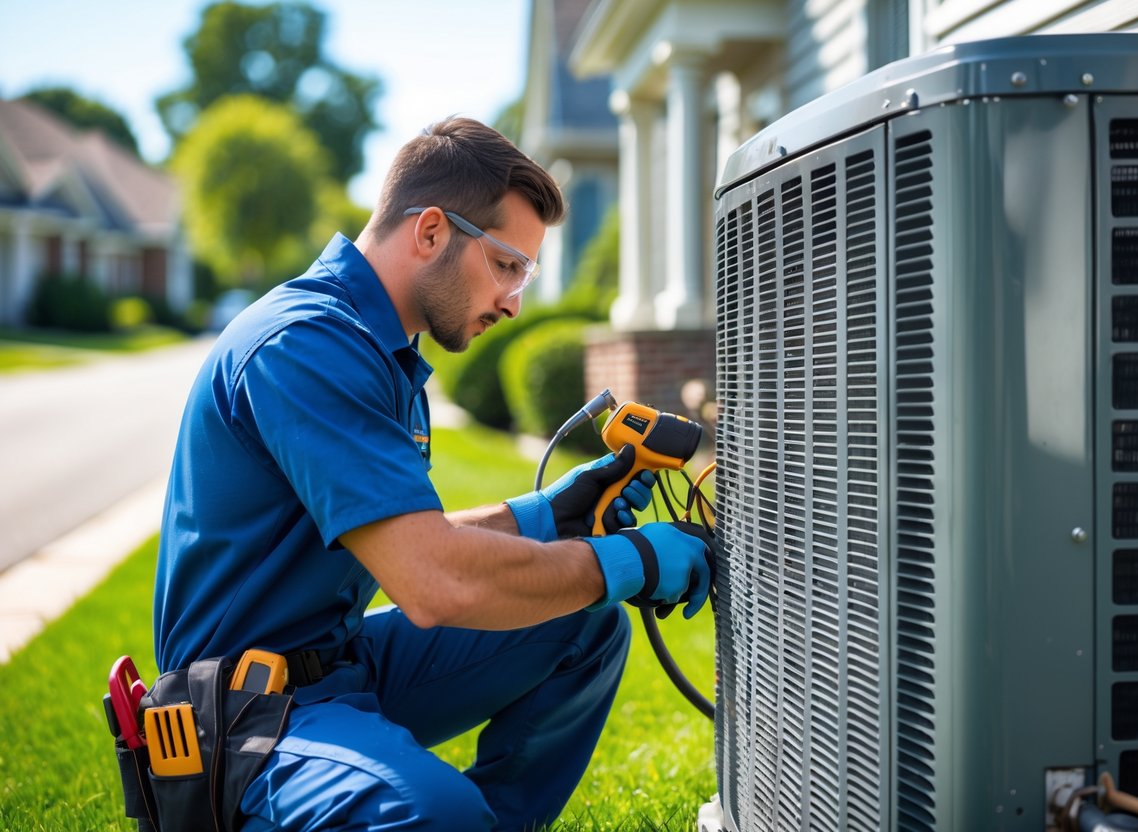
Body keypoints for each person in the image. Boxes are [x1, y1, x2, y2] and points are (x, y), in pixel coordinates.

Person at [152, 117, 716, 831]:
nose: (515, 302)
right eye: (508, 265)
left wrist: (549, 513)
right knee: (436, 813)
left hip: (335, 667)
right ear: (428, 233)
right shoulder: (305, 346)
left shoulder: (380, 346)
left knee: (583, 624)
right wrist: (630, 559)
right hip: (239, 722)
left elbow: (400, 543)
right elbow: (432, 581)